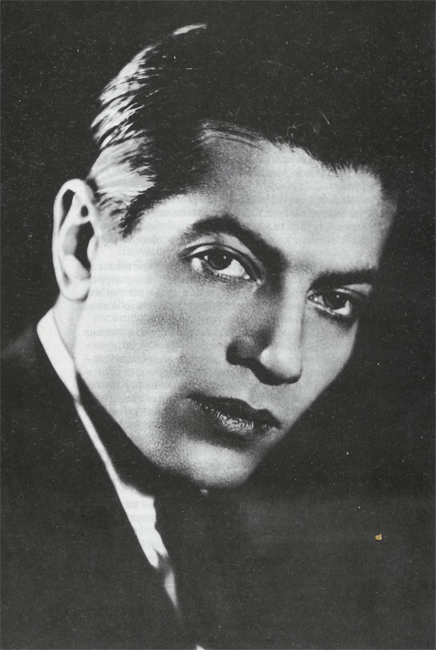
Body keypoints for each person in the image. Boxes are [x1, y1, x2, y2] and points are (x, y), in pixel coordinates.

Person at [1, 19, 420, 649]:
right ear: (82, 244)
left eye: (334, 300)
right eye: (222, 262)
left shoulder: (215, 538)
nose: (283, 357)